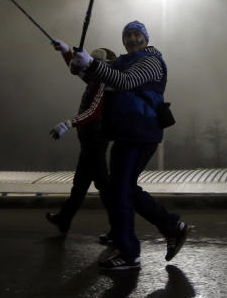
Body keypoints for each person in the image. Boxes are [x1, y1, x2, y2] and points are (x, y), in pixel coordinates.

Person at [71, 21, 188, 270]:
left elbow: (124, 81)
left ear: (145, 38)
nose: (132, 39)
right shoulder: (122, 62)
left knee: (121, 190)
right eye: (128, 35)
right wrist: (76, 62)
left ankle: (130, 252)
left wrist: (90, 64)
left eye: (137, 34)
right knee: (120, 189)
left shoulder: (151, 62)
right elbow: (98, 77)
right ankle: (171, 226)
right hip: (125, 133)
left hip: (142, 133)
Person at [45, 43, 117, 235]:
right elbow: (77, 68)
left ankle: (118, 229)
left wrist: (68, 123)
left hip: (96, 138)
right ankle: (64, 219)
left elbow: (93, 112)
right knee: (82, 183)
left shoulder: (103, 82)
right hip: (89, 139)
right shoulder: (96, 78)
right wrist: (65, 51)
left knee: (103, 184)